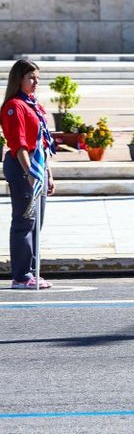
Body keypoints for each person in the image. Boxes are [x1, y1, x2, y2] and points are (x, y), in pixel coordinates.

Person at [2, 60, 55, 289]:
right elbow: (19, 144)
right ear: (19, 80)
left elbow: (42, 144)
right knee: (24, 220)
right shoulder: (14, 106)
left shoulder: (34, 105)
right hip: (23, 167)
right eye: (31, 78)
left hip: (37, 167)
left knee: (36, 221)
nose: (36, 82)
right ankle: (21, 276)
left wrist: (48, 174)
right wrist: (29, 174)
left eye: (37, 78)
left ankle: (32, 272)